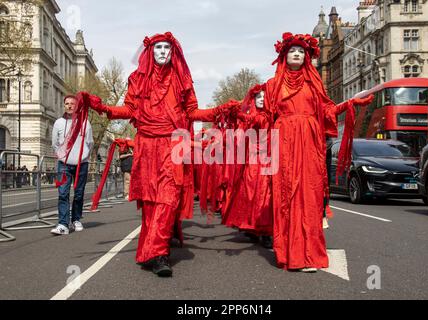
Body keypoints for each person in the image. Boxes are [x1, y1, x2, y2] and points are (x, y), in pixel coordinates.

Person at [85, 32, 237, 277]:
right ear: (150, 51)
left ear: (173, 51)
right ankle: (150, 253)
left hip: (172, 145)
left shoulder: (181, 79)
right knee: (150, 204)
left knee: (168, 199)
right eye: (158, 47)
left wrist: (220, 110)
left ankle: (159, 253)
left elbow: (193, 113)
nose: (163, 51)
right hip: (146, 147)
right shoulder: (137, 79)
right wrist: (103, 108)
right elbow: (129, 109)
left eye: (167, 47)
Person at [264, 33, 373, 272]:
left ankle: (309, 255)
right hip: (283, 142)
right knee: (286, 195)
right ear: (284, 55)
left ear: (307, 56)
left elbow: (327, 111)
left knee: (310, 195)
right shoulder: (273, 85)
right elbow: (266, 120)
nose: (297, 54)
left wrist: (350, 103)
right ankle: (290, 254)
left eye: (301, 51)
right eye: (292, 50)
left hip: (310, 143)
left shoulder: (315, 84)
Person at [222, 84, 273, 249]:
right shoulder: (249, 115)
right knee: (250, 193)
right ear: (253, 100)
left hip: (268, 159)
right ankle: (251, 227)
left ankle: (265, 232)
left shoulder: (270, 114)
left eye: (264, 97)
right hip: (251, 160)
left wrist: (238, 113)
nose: (261, 100)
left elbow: (255, 120)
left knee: (265, 194)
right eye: (258, 97)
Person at [50, 95, 94, 236]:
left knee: (79, 194)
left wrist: (83, 157)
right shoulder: (58, 123)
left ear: (77, 106)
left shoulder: (85, 123)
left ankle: (76, 219)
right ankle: (63, 224)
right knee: (63, 193)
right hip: (64, 164)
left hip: (81, 164)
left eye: (72, 104)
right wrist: (62, 155)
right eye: (67, 104)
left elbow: (90, 143)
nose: (69, 106)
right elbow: (54, 143)